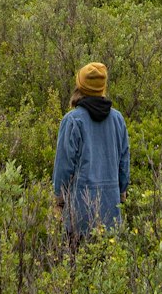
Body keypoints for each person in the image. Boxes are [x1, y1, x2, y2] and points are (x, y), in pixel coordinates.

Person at [52, 61, 130, 240]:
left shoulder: (72, 120)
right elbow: (124, 164)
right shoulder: (118, 120)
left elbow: (63, 167)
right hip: (111, 213)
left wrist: (59, 201)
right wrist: (121, 193)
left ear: (80, 86)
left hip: (79, 214)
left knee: (76, 264)